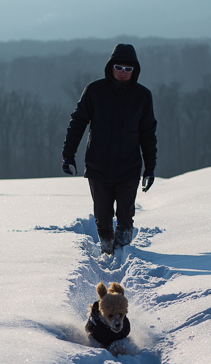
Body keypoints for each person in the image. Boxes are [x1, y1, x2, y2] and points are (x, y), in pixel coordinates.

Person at [62, 43, 157, 255]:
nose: (123, 72)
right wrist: (68, 155)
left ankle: (123, 253)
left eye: (128, 69)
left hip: (129, 167)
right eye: (119, 67)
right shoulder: (95, 91)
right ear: (110, 67)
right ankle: (107, 252)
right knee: (102, 218)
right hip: (98, 166)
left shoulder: (142, 96)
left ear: (135, 70)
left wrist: (150, 168)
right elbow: (78, 123)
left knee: (125, 218)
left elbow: (148, 133)